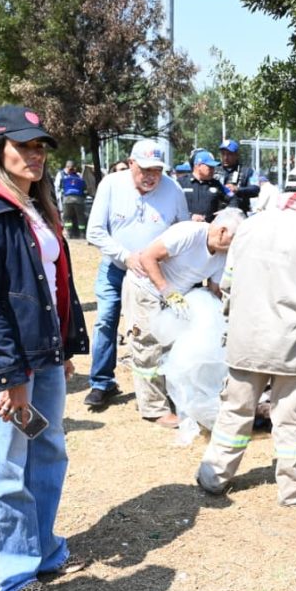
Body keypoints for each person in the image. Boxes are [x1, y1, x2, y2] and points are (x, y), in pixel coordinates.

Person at [0, 105, 90, 591]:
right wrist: (9, 375)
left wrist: (63, 346)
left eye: (40, 146)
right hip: (5, 363)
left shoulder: (35, 204)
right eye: (24, 145)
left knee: (47, 451)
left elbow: (53, 285)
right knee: (2, 464)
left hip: (41, 355)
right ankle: (6, 572)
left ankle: (42, 549)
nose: (35, 154)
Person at [197, 163, 296, 505]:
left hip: (245, 341)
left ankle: (213, 476)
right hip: (291, 346)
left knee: (234, 411)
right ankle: (295, 489)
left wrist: (232, 325)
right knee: (293, 420)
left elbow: (228, 284)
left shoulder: (249, 227)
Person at [85, 139, 189, 411]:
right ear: (131, 164)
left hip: (155, 276)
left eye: (156, 170)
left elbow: (183, 231)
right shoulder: (111, 184)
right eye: (145, 169)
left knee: (156, 328)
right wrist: (125, 256)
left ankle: (165, 385)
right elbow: (94, 231)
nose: (151, 176)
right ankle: (102, 382)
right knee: (106, 321)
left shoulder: (173, 189)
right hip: (115, 269)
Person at [124, 209, 244, 426]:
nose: (235, 246)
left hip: (175, 296)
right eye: (234, 239)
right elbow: (148, 257)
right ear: (222, 230)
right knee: (147, 345)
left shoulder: (223, 254)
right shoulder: (189, 233)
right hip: (146, 288)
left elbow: (216, 288)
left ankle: (164, 395)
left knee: (171, 345)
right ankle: (153, 409)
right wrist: (167, 291)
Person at [178, 149, 230, 222]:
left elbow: (233, 198)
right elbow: (171, 205)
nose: (213, 170)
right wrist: (190, 216)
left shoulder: (216, 184)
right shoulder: (181, 183)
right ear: (198, 166)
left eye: (213, 167)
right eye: (210, 167)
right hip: (186, 227)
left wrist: (227, 211)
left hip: (209, 229)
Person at [217, 139, 259, 213]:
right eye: (223, 154)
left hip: (238, 213)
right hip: (217, 213)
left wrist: (237, 189)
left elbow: (255, 189)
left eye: (229, 154)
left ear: (236, 155)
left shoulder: (247, 171)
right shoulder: (214, 169)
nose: (225, 158)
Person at [56, 160, 88, 239]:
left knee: (67, 217)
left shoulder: (64, 178)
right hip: (79, 200)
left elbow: (60, 187)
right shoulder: (80, 179)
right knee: (80, 217)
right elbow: (85, 189)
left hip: (67, 200)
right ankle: (82, 234)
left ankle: (69, 233)